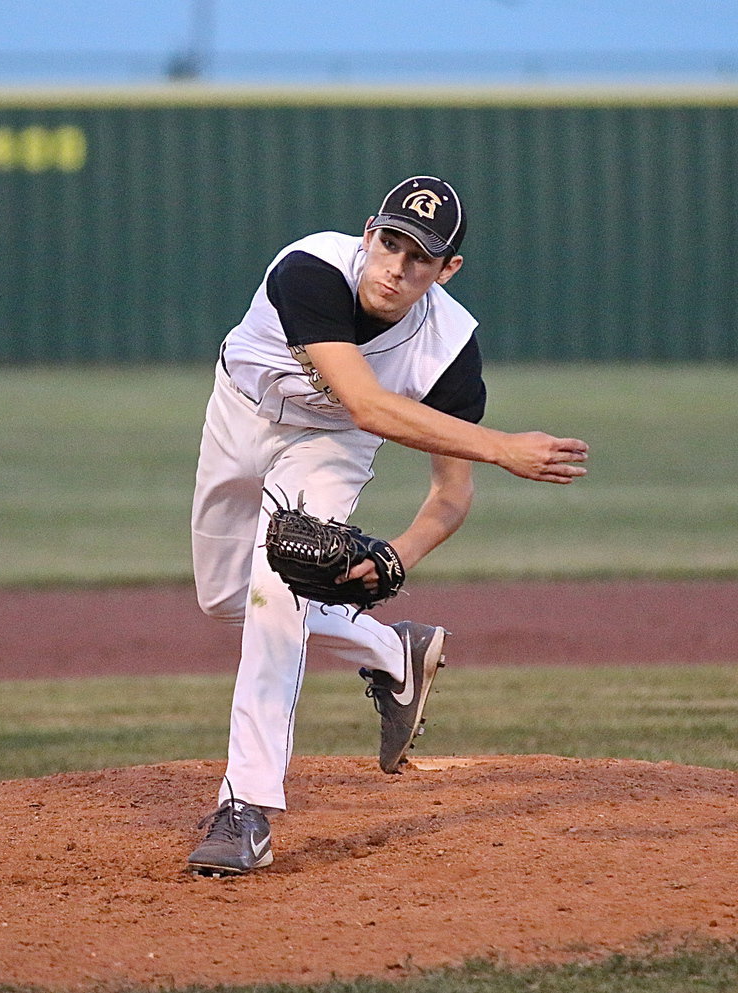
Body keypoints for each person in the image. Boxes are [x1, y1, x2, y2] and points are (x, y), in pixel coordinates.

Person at [186, 176, 588, 875]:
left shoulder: (448, 350)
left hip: (328, 445)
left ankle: (245, 808)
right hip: (241, 412)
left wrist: (399, 556)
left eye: (420, 257)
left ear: (447, 270)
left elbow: (449, 495)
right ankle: (394, 653)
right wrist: (502, 445)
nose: (397, 266)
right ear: (369, 231)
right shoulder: (309, 269)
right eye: (390, 241)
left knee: (274, 598)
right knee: (225, 599)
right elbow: (370, 402)